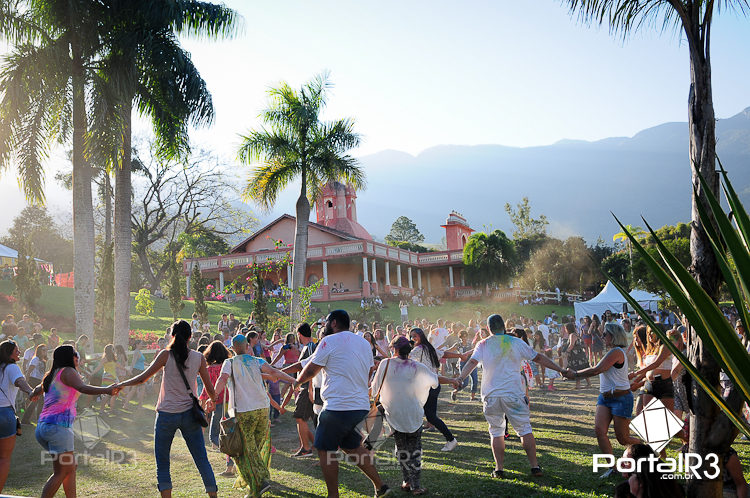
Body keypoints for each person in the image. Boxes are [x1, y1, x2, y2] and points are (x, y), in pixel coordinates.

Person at [455, 314, 567, 478]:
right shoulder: (515, 342)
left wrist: (460, 378)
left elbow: (472, 363)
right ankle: (535, 467)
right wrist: (561, 370)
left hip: (491, 395)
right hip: (513, 393)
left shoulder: (483, 344)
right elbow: (539, 357)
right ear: (503, 327)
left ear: (489, 328)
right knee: (524, 429)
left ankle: (499, 469)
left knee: (496, 432)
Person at [294, 309, 391, 498]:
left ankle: (333, 495)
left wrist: (297, 382)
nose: (325, 326)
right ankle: (381, 487)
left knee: (324, 448)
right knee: (352, 447)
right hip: (361, 405)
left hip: (338, 407)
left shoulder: (328, 341)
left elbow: (311, 369)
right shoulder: (363, 343)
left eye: (327, 322)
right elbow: (369, 369)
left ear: (335, 323)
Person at [118, 320, 218, 497]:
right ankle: (213, 495)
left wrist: (121, 384)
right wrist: (212, 400)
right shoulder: (198, 357)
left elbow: (143, 378)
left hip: (166, 415)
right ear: (189, 337)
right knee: (202, 459)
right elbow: (210, 389)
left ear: (172, 335)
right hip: (190, 414)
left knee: (163, 462)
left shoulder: (165, 355)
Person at [32, 345, 119, 498]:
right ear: (67, 357)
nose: (77, 357)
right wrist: (106, 390)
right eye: (74, 354)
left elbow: (37, 389)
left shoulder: (52, 374)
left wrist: (33, 393)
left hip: (43, 428)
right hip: (58, 428)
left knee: (70, 467)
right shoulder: (68, 371)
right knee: (60, 472)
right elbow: (82, 387)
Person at [213, 333, 295, 496]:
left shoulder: (229, 363)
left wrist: (212, 396)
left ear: (233, 348)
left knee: (245, 450)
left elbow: (222, 379)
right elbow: (274, 372)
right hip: (263, 409)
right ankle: (256, 486)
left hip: (244, 411)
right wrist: (295, 382)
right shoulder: (257, 361)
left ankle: (260, 481)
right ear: (247, 347)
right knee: (256, 447)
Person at [371, 336, 454, 495]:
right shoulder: (418, 367)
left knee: (401, 449)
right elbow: (435, 380)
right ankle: (415, 486)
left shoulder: (385, 364)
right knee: (414, 450)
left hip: (395, 414)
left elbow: (374, 389)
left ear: (394, 349)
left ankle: (406, 481)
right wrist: (452, 380)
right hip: (413, 414)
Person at [567, 322, 640, 478]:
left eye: (605, 334)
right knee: (600, 432)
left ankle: (647, 450)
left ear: (613, 336)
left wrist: (575, 374)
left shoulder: (616, 351)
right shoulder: (612, 352)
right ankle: (612, 467)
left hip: (621, 398)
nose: (602, 337)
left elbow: (597, 370)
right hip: (605, 397)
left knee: (623, 439)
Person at [408, 327, 465, 451]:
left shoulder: (417, 350)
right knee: (428, 416)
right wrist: (459, 355)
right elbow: (444, 354)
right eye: (411, 336)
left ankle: (450, 439)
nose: (413, 338)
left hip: (426, 387)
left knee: (423, 415)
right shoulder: (429, 348)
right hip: (433, 386)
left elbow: (404, 360)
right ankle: (450, 439)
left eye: (415, 336)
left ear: (421, 336)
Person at [0, 340, 37, 492]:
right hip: (4, 414)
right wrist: (31, 392)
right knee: (4, 458)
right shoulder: (11, 367)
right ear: (9, 354)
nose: (19, 352)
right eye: (16, 350)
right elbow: (20, 381)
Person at [279, 323, 318, 458]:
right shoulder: (308, 346)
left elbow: (310, 367)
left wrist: (311, 388)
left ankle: (306, 448)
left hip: (307, 388)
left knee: (300, 417)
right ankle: (311, 445)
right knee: (313, 419)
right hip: (307, 387)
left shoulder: (311, 347)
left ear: (299, 334)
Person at [20, 343, 47, 424]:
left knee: (41, 401)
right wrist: (27, 381)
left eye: (46, 350)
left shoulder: (43, 360)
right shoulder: (35, 359)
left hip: (40, 381)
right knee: (35, 401)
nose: (45, 352)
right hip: (33, 380)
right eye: (43, 350)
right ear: (39, 351)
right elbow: (29, 371)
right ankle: (25, 419)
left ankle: (39, 418)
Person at [565, 322, 591, 389]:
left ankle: (578, 385)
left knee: (577, 369)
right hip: (579, 354)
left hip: (576, 354)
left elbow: (572, 345)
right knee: (582, 368)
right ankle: (588, 383)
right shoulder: (576, 334)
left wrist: (567, 351)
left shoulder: (572, 335)